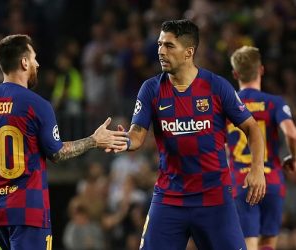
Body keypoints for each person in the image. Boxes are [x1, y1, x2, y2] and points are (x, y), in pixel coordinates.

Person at [0, 34, 128, 250]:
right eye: (34, 58)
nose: (37, 63)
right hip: (28, 212)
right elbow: (57, 153)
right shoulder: (37, 105)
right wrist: (94, 140)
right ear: (24, 62)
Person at [109, 19, 266, 250]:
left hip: (214, 198)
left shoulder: (216, 86)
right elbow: (137, 136)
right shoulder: (151, 89)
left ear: (188, 52)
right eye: (160, 44)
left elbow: (252, 128)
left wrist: (257, 169)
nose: (161, 51)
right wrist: (121, 141)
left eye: (169, 46)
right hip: (170, 198)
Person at [227, 45, 296, 250]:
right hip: (271, 180)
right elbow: (291, 132)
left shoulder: (228, 105)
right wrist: (293, 157)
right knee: (268, 243)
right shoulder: (274, 102)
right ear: (261, 70)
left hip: (241, 181)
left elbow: (218, 146)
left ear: (235, 74)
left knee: (249, 243)